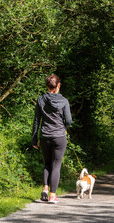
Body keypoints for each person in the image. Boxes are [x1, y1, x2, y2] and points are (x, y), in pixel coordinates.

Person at [32, 74, 72, 204]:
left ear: (47, 87)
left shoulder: (41, 100)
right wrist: (64, 127)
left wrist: (34, 138)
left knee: (47, 163)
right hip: (59, 136)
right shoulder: (64, 101)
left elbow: (36, 120)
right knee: (56, 165)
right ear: (58, 85)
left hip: (45, 136)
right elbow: (69, 120)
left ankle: (45, 188)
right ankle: (52, 195)